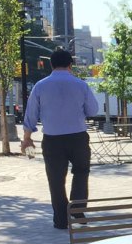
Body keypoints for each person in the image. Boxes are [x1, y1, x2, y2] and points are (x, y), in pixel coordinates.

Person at [20, 47, 100, 230]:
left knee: (55, 180)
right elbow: (93, 110)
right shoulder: (81, 85)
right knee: (81, 172)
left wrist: (27, 138)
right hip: (78, 136)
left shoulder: (40, 86)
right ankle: (78, 208)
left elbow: (31, 114)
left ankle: (61, 219)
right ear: (70, 65)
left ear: (51, 65)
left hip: (52, 138)